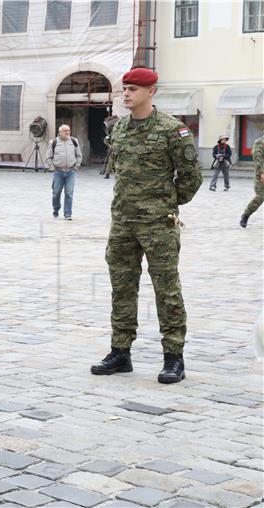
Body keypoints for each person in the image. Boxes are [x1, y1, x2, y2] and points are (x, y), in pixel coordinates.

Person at [91, 67, 202, 384]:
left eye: (133, 89)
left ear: (151, 92)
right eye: (124, 89)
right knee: (121, 287)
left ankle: (173, 358)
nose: (126, 94)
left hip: (158, 226)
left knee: (167, 290)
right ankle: (120, 352)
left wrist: (165, 204)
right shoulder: (120, 129)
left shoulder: (172, 130)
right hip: (123, 224)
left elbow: (192, 178)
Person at [44, 124, 82, 220]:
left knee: (69, 193)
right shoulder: (54, 142)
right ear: (60, 132)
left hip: (70, 172)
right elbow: (48, 157)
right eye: (65, 131)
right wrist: (52, 168)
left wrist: (76, 166)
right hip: (58, 172)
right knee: (56, 193)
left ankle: (67, 214)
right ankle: (56, 209)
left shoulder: (74, 141)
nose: (67, 132)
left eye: (68, 130)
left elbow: (79, 155)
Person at [240, 135, 264, 228]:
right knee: (260, 197)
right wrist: (262, 172)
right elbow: (258, 158)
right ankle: (246, 215)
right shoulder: (260, 142)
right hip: (261, 174)